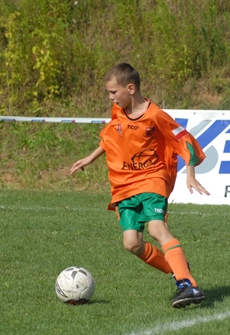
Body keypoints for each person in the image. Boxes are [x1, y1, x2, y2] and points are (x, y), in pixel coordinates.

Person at [70, 62, 209, 308]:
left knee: (156, 229)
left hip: (152, 177)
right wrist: (90, 158)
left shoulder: (155, 115)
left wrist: (190, 172)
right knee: (132, 243)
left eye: (114, 92)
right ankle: (178, 270)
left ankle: (187, 283)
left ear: (131, 89)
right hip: (124, 183)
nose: (110, 97)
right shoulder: (119, 110)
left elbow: (183, 138)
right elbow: (111, 136)